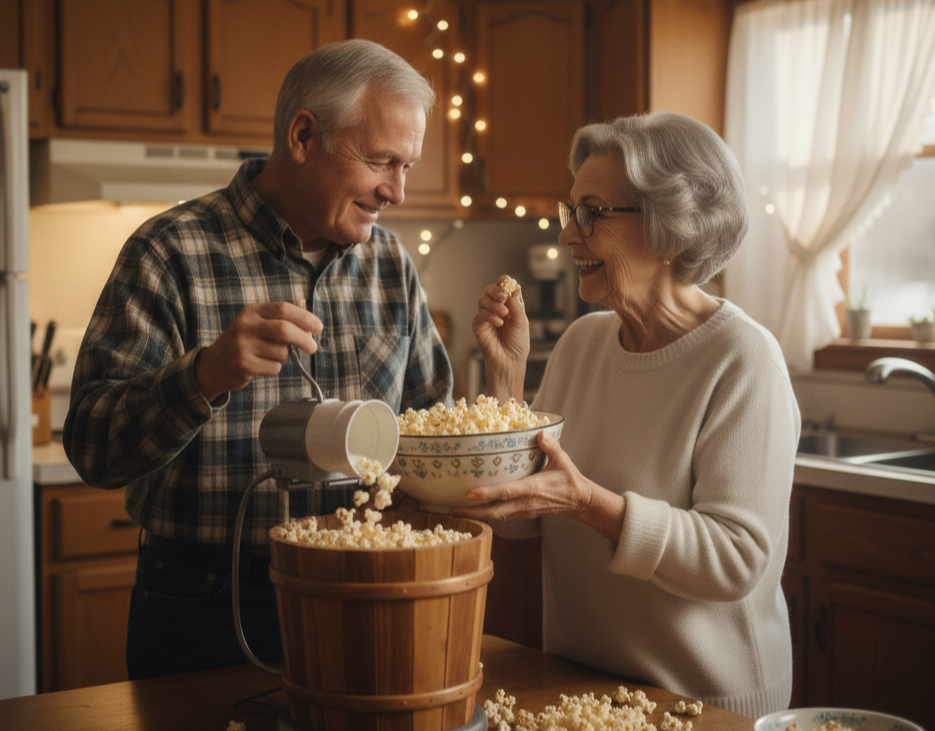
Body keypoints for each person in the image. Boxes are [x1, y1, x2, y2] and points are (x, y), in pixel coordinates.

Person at [63, 39, 453, 680]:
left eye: (407, 166)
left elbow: (431, 436)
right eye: (382, 161)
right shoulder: (170, 252)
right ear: (303, 136)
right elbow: (92, 447)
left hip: (361, 587)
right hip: (202, 602)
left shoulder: (390, 265)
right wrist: (206, 374)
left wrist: (503, 385)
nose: (398, 191)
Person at [459, 111, 799, 717]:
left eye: (592, 212)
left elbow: (735, 558)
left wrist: (588, 504)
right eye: (571, 211)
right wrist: (507, 382)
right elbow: (516, 517)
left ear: (672, 228)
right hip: (583, 694)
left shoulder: (743, 359)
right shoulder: (582, 344)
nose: (568, 235)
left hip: (701, 704)